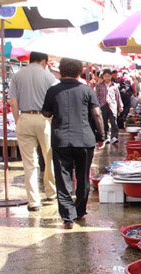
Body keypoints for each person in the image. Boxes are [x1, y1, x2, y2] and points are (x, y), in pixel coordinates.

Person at [42, 58, 105, 229]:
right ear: (80, 71)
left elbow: (46, 113)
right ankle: (80, 211)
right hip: (84, 139)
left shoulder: (53, 90)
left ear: (61, 71)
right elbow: (97, 114)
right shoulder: (86, 90)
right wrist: (101, 136)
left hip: (61, 139)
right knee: (83, 176)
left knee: (63, 179)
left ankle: (68, 216)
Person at [8, 51, 57, 212]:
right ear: (44, 61)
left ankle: (33, 201)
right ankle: (51, 192)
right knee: (49, 156)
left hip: (24, 118)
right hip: (45, 119)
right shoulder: (48, 76)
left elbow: (12, 102)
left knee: (29, 163)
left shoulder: (17, 76)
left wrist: (18, 120)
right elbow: (56, 99)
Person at [95, 69, 122, 144]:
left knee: (114, 122)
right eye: (106, 76)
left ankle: (114, 137)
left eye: (109, 76)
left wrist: (120, 106)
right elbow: (96, 96)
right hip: (102, 105)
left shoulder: (114, 86)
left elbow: (118, 96)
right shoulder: (99, 85)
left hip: (112, 106)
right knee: (103, 122)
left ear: (111, 76)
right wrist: (96, 106)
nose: (107, 78)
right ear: (103, 76)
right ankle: (106, 137)